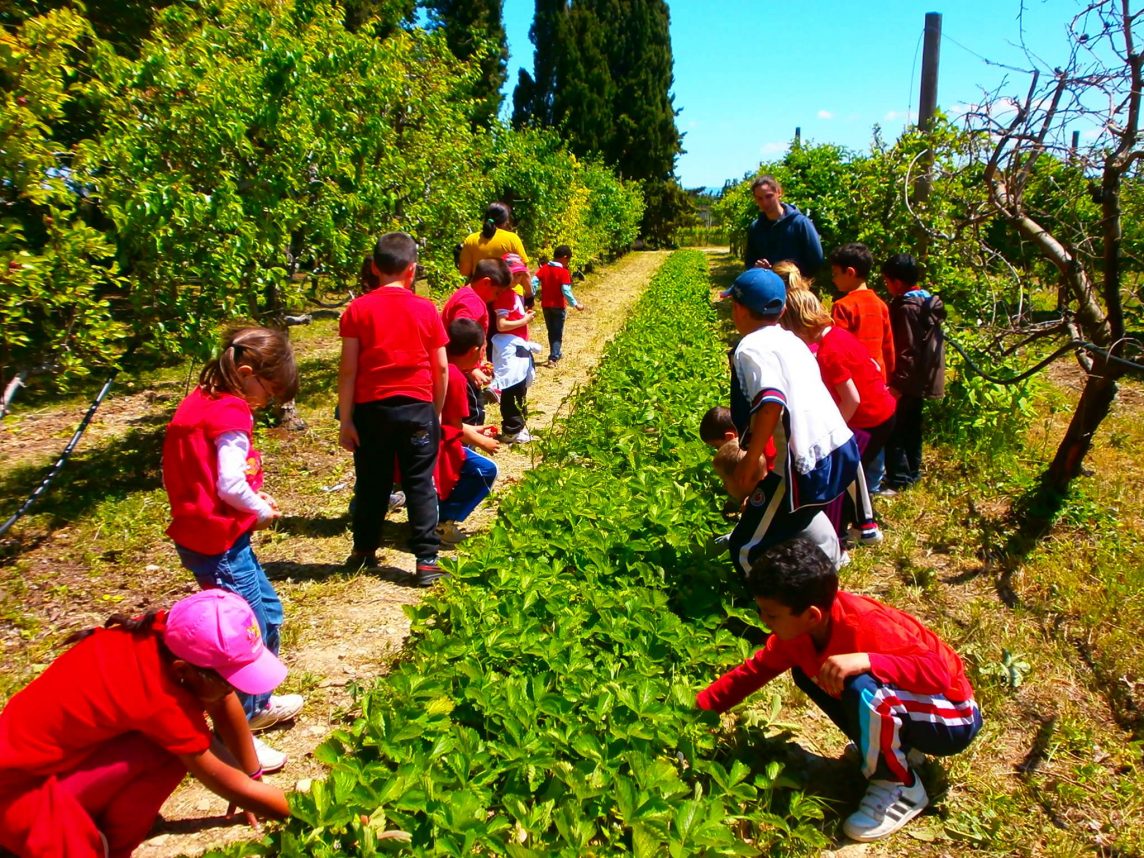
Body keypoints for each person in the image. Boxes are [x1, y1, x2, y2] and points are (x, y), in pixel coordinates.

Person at [697, 537, 983, 842]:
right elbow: (754, 672)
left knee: (864, 686)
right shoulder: (798, 636)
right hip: (911, 705)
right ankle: (896, 752)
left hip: (953, 715)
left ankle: (900, 785)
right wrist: (696, 711)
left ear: (811, 615)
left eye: (771, 614)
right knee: (812, 674)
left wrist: (867, 660)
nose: (763, 621)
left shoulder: (867, 624)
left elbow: (937, 673)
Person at [0, 590, 291, 857]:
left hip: (50, 763)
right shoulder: (158, 696)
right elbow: (230, 783)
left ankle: (98, 827)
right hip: (18, 790)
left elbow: (222, 700)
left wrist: (253, 776)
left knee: (170, 750)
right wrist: (304, 812)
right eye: (230, 680)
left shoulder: (169, 636)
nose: (237, 689)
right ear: (183, 671)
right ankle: (105, 845)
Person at [162, 326, 302, 771]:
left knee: (268, 613)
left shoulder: (203, 401)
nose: (266, 401)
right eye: (268, 390)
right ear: (245, 373)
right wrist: (257, 509)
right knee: (242, 635)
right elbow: (229, 482)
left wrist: (253, 503)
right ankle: (234, 728)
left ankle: (256, 704)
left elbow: (214, 479)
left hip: (215, 536)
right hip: (217, 543)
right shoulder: (230, 414)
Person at [721, 268, 859, 580]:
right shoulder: (791, 340)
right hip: (839, 447)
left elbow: (771, 402)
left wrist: (750, 460)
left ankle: (769, 616)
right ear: (783, 310)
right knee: (796, 516)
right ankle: (825, 571)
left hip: (804, 464)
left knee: (745, 547)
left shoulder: (750, 348)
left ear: (738, 309)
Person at [338, 232, 448, 587]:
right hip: (416, 407)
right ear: (412, 270)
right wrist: (437, 411)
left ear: (374, 267)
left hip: (372, 411)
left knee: (372, 482)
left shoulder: (357, 310)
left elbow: (349, 369)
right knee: (419, 482)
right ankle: (427, 560)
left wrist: (347, 419)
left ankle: (364, 551)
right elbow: (441, 368)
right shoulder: (426, 309)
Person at [781, 288, 896, 545]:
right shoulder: (839, 335)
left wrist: (833, 433)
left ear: (799, 324)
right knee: (856, 472)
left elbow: (852, 398)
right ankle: (863, 522)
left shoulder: (828, 352)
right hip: (883, 410)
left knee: (841, 473)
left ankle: (839, 532)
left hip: (869, 420)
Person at [700, 405, 845, 569]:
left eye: (725, 481)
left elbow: (745, 545)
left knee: (745, 553)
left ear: (742, 478)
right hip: (827, 555)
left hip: (820, 567)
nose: (724, 486)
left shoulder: (765, 502)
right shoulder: (770, 485)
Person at [830, 242, 895, 493]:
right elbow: (888, 347)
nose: (833, 279)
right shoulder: (880, 304)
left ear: (850, 272)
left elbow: (838, 348)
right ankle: (873, 485)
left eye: (835, 274)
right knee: (876, 443)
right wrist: (888, 381)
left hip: (854, 387)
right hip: (878, 385)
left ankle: (854, 490)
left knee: (856, 440)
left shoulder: (843, 307)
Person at [881, 254, 947, 492]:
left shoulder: (906, 308)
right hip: (921, 380)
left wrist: (897, 384)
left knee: (895, 430)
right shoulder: (926, 302)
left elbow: (907, 349)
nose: (886, 286)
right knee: (912, 428)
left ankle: (898, 480)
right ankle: (912, 474)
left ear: (896, 282)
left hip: (906, 381)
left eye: (887, 281)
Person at [436, 319, 500, 545]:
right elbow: (451, 426)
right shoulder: (454, 377)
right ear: (475, 350)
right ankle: (443, 521)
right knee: (486, 470)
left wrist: (473, 429)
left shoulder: (438, 365)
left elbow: (443, 418)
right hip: (437, 444)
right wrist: (481, 441)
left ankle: (430, 513)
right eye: (483, 350)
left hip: (419, 437)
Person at [441, 259, 512, 426]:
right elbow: (462, 335)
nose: (497, 298)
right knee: (472, 416)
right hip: (461, 372)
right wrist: (472, 369)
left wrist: (479, 362)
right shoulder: (471, 303)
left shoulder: (468, 296)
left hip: (464, 368)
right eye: (497, 293)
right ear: (486, 282)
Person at [491, 258, 540, 444]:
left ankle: (518, 427)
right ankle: (512, 429)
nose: (518, 278)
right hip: (508, 349)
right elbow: (501, 325)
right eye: (515, 274)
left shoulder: (514, 293)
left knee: (519, 387)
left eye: (521, 274)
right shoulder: (504, 295)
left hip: (516, 346)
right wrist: (525, 321)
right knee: (512, 387)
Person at [743, 175, 824, 277]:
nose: (765, 202)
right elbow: (749, 261)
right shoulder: (756, 228)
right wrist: (757, 267)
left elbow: (816, 260)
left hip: (796, 288)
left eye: (769, 196)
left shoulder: (800, 223)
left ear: (779, 192)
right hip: (767, 289)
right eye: (759, 198)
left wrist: (792, 275)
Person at [535, 245, 583, 366]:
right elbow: (565, 290)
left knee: (551, 331)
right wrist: (575, 304)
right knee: (557, 332)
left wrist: (530, 295)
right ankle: (554, 357)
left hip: (545, 305)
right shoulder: (563, 272)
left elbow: (533, 281)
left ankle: (555, 352)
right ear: (565, 257)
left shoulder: (544, 268)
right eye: (568, 260)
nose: (568, 263)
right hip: (558, 305)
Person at [457, 201, 529, 278]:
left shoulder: (471, 239)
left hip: (481, 288)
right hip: (509, 288)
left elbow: (464, 271)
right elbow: (523, 269)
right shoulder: (512, 239)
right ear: (506, 221)